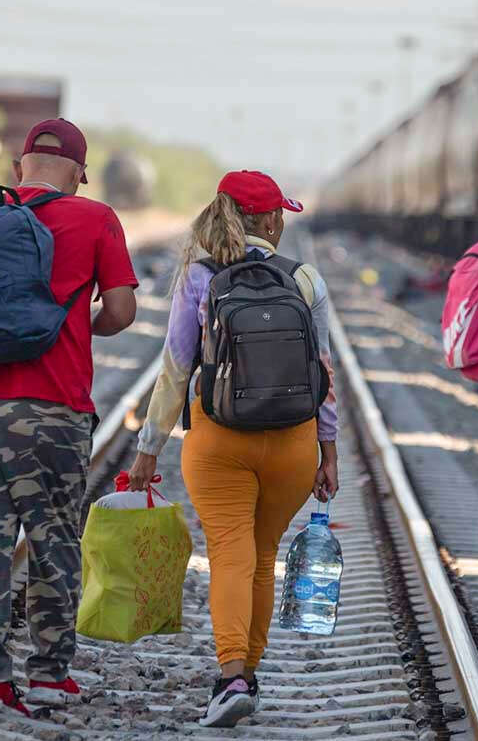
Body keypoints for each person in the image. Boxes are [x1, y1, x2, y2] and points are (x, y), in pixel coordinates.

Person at [0, 118, 139, 716]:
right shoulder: (95, 218)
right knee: (53, 543)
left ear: (19, 168)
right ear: (79, 173)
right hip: (53, 408)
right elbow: (121, 310)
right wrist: (75, 327)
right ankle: (48, 674)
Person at [125, 170, 338, 728]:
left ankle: (232, 676)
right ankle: (250, 673)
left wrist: (150, 448)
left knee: (229, 553)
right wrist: (329, 452)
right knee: (262, 558)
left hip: (219, 441)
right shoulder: (305, 278)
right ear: (270, 219)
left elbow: (175, 371)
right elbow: (326, 376)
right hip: (293, 444)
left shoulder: (199, 277)